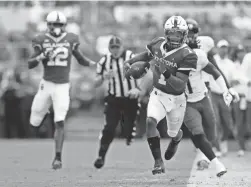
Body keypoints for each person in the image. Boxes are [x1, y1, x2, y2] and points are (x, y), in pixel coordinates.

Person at [124, 16, 198, 175]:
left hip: (177, 98)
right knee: (150, 121)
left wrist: (165, 71)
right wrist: (130, 62)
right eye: (171, 34)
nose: (174, 37)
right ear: (166, 33)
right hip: (158, 93)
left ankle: (176, 139)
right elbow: (147, 55)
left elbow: (180, 84)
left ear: (184, 35)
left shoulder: (188, 54)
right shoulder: (158, 43)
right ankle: (158, 162)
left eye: (178, 34)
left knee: (173, 132)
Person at [28, 10, 95, 170]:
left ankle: (57, 157)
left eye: (59, 24)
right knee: (35, 119)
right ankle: (42, 119)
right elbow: (30, 64)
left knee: (60, 120)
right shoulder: (41, 39)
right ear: (48, 25)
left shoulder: (71, 39)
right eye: (54, 24)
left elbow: (80, 58)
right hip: (46, 84)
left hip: (63, 85)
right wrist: (42, 56)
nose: (56, 27)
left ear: (64, 25)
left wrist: (95, 64)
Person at [182, 18, 239, 176]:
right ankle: (205, 155)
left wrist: (227, 88)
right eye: (187, 33)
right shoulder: (174, 52)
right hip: (185, 97)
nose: (190, 36)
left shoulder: (204, 46)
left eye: (193, 33)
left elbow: (215, 68)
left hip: (204, 89)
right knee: (197, 130)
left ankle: (205, 153)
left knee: (211, 130)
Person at [93, 36, 140, 169]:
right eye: (112, 47)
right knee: (109, 128)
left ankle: (130, 130)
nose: (115, 50)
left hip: (130, 97)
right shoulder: (104, 60)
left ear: (122, 47)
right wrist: (103, 77)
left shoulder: (131, 56)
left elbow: (144, 71)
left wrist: (138, 88)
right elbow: (95, 83)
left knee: (127, 128)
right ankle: (101, 156)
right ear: (109, 48)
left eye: (117, 47)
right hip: (114, 98)